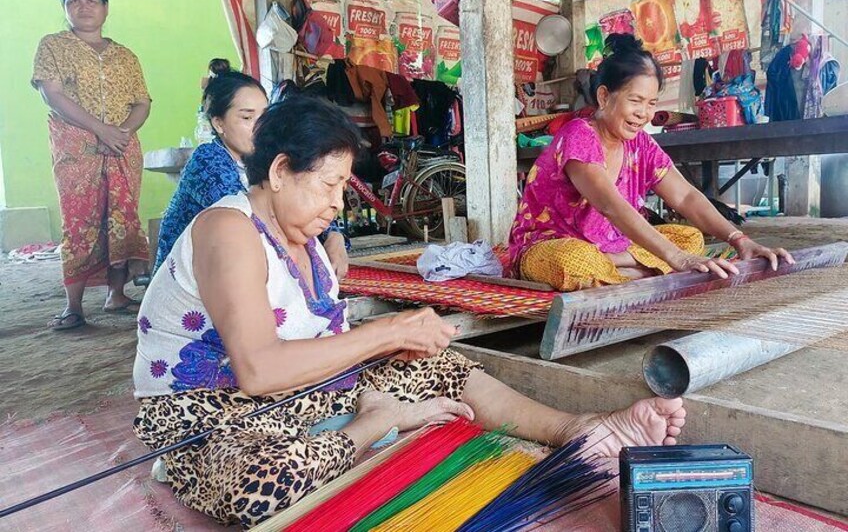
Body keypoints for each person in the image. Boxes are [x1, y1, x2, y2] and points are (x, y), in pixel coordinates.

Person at [132, 95, 687, 528]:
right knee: (256, 485)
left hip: (303, 395)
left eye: (342, 188)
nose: (336, 203)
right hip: (209, 411)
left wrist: (394, 340)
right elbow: (257, 370)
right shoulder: (228, 229)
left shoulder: (310, 242)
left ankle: (579, 430)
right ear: (279, 171)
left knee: (437, 362)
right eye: (328, 185)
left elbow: (321, 343)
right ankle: (375, 422)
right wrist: (385, 334)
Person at [510, 34, 794, 292]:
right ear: (604, 96)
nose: (644, 114)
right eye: (636, 101)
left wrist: (739, 239)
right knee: (572, 262)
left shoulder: (641, 143)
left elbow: (685, 196)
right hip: (551, 246)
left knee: (690, 238)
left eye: (651, 103)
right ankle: (643, 271)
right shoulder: (579, 135)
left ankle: (620, 268)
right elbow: (610, 205)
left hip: (612, 246)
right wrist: (676, 258)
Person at [153, 59, 350, 278]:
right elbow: (258, 224)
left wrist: (335, 236)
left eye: (264, 116)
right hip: (193, 283)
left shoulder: (261, 161)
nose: (259, 126)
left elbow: (300, 209)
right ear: (218, 124)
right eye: (247, 117)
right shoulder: (208, 160)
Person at [32, 0, 151, 330]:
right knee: (79, 221)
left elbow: (142, 102)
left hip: (121, 149)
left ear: (106, 8)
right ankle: (74, 306)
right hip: (77, 147)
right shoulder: (53, 46)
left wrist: (122, 133)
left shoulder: (125, 56)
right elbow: (52, 94)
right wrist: (101, 130)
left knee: (121, 219)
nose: (83, 7)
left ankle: (116, 296)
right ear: (64, 8)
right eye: (73, 1)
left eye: (91, 0)